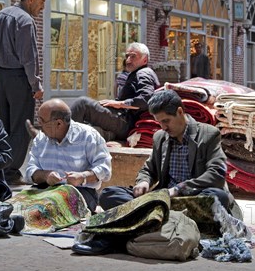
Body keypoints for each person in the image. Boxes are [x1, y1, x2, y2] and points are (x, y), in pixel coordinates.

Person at [99, 89, 234, 212]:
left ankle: (151, 212)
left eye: (166, 121)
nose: (163, 127)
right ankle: (162, 211)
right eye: (159, 122)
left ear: (180, 112)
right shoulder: (160, 137)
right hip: (164, 198)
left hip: (193, 196)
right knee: (108, 194)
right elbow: (149, 169)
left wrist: (178, 189)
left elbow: (217, 173)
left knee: (217, 198)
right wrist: (143, 182)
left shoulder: (209, 134)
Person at [0, 0, 46, 185]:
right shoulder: (25, 20)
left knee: (5, 124)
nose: (42, 8)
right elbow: (28, 58)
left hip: (2, 76)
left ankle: (1, 168)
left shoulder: (2, 14)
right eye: (41, 2)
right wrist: (35, 85)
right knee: (22, 127)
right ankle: (11, 172)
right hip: (18, 77)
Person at [24, 99, 112, 213]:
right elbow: (30, 171)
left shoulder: (88, 136)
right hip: (47, 189)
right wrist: (46, 176)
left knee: (52, 209)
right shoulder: (40, 139)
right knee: (21, 207)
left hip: (80, 191)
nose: (39, 126)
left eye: (42, 121)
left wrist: (82, 177)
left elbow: (105, 169)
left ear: (59, 123)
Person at [70, 42, 160, 142]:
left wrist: (120, 104)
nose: (128, 60)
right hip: (123, 119)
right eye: (127, 56)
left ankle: (65, 141)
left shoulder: (144, 73)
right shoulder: (137, 73)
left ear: (145, 60)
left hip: (127, 122)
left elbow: (146, 99)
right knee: (86, 126)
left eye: (133, 56)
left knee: (82, 104)